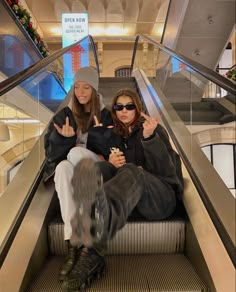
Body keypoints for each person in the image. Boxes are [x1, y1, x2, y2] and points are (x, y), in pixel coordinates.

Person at [61, 88, 184, 291]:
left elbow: (167, 171)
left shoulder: (153, 130)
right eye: (118, 107)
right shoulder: (114, 136)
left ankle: (94, 247)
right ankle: (89, 241)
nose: (123, 111)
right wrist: (110, 162)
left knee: (130, 169)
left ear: (138, 108)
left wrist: (149, 139)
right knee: (98, 168)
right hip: (131, 203)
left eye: (129, 106)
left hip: (161, 199)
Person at [44, 66, 112, 281]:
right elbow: (52, 154)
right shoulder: (65, 114)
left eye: (86, 87)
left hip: (98, 170)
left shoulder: (106, 114)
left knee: (74, 152)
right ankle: (73, 244)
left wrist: (100, 135)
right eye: (77, 87)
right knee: (63, 167)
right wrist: (63, 139)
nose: (80, 92)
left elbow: (114, 151)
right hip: (75, 171)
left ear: (94, 89)